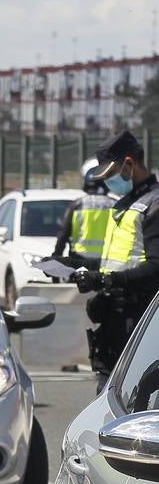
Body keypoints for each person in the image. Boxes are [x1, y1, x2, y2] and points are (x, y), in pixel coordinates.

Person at [74, 131, 159, 391]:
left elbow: (156, 268)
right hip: (116, 321)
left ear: (129, 165)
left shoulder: (154, 205)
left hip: (140, 321)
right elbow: (121, 259)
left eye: (111, 174)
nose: (108, 182)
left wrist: (107, 279)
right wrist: (80, 266)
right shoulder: (126, 204)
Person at [52, 160, 114, 264]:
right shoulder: (114, 205)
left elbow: (64, 233)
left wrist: (57, 256)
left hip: (79, 259)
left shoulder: (77, 205)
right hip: (107, 259)